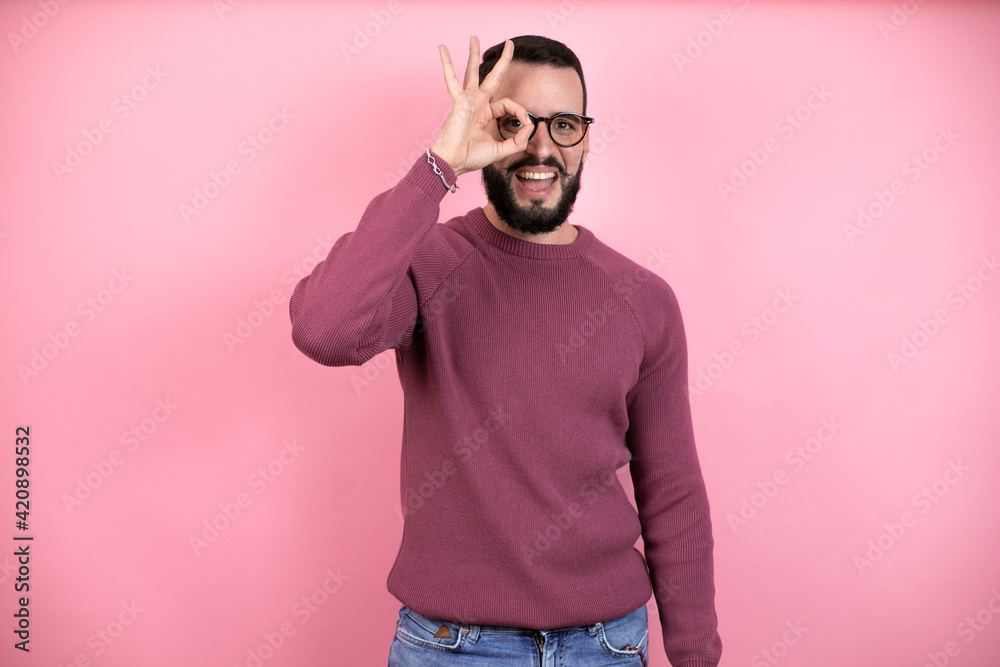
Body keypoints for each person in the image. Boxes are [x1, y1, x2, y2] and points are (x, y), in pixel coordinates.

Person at [289, 34, 722, 666]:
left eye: (565, 125)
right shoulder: (430, 263)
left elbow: (673, 492)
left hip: (607, 644)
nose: (541, 148)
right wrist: (440, 166)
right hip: (451, 648)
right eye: (515, 124)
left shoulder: (643, 299)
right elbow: (324, 329)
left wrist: (697, 656)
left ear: (587, 137)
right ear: (486, 127)